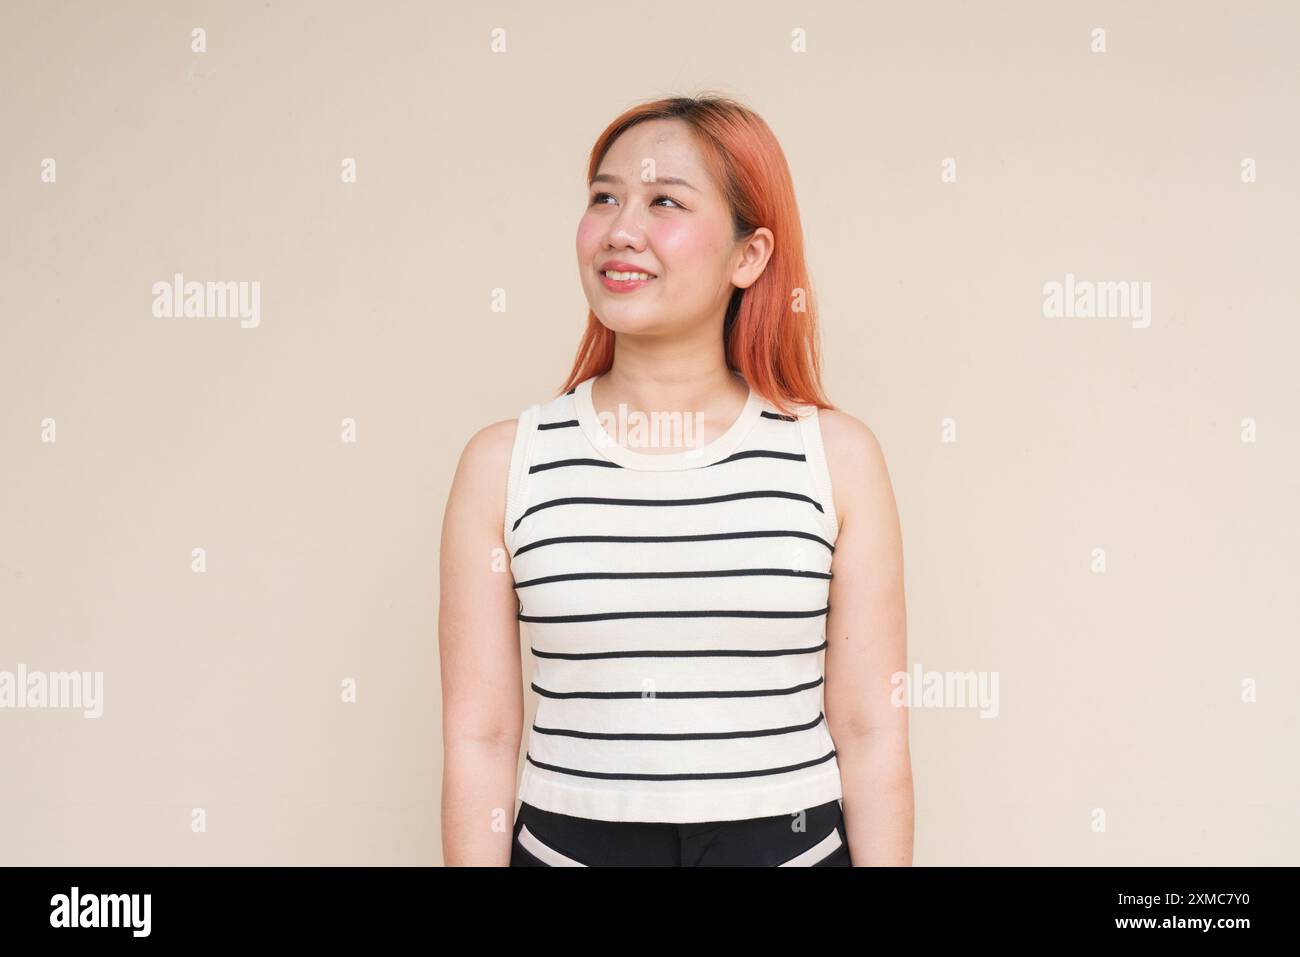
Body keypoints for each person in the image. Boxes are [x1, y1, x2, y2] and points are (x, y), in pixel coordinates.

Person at [440, 94, 912, 866]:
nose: (621, 229)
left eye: (664, 200)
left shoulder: (836, 457)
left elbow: (872, 729)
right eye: (604, 197)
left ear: (749, 255)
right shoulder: (502, 463)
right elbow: (480, 737)